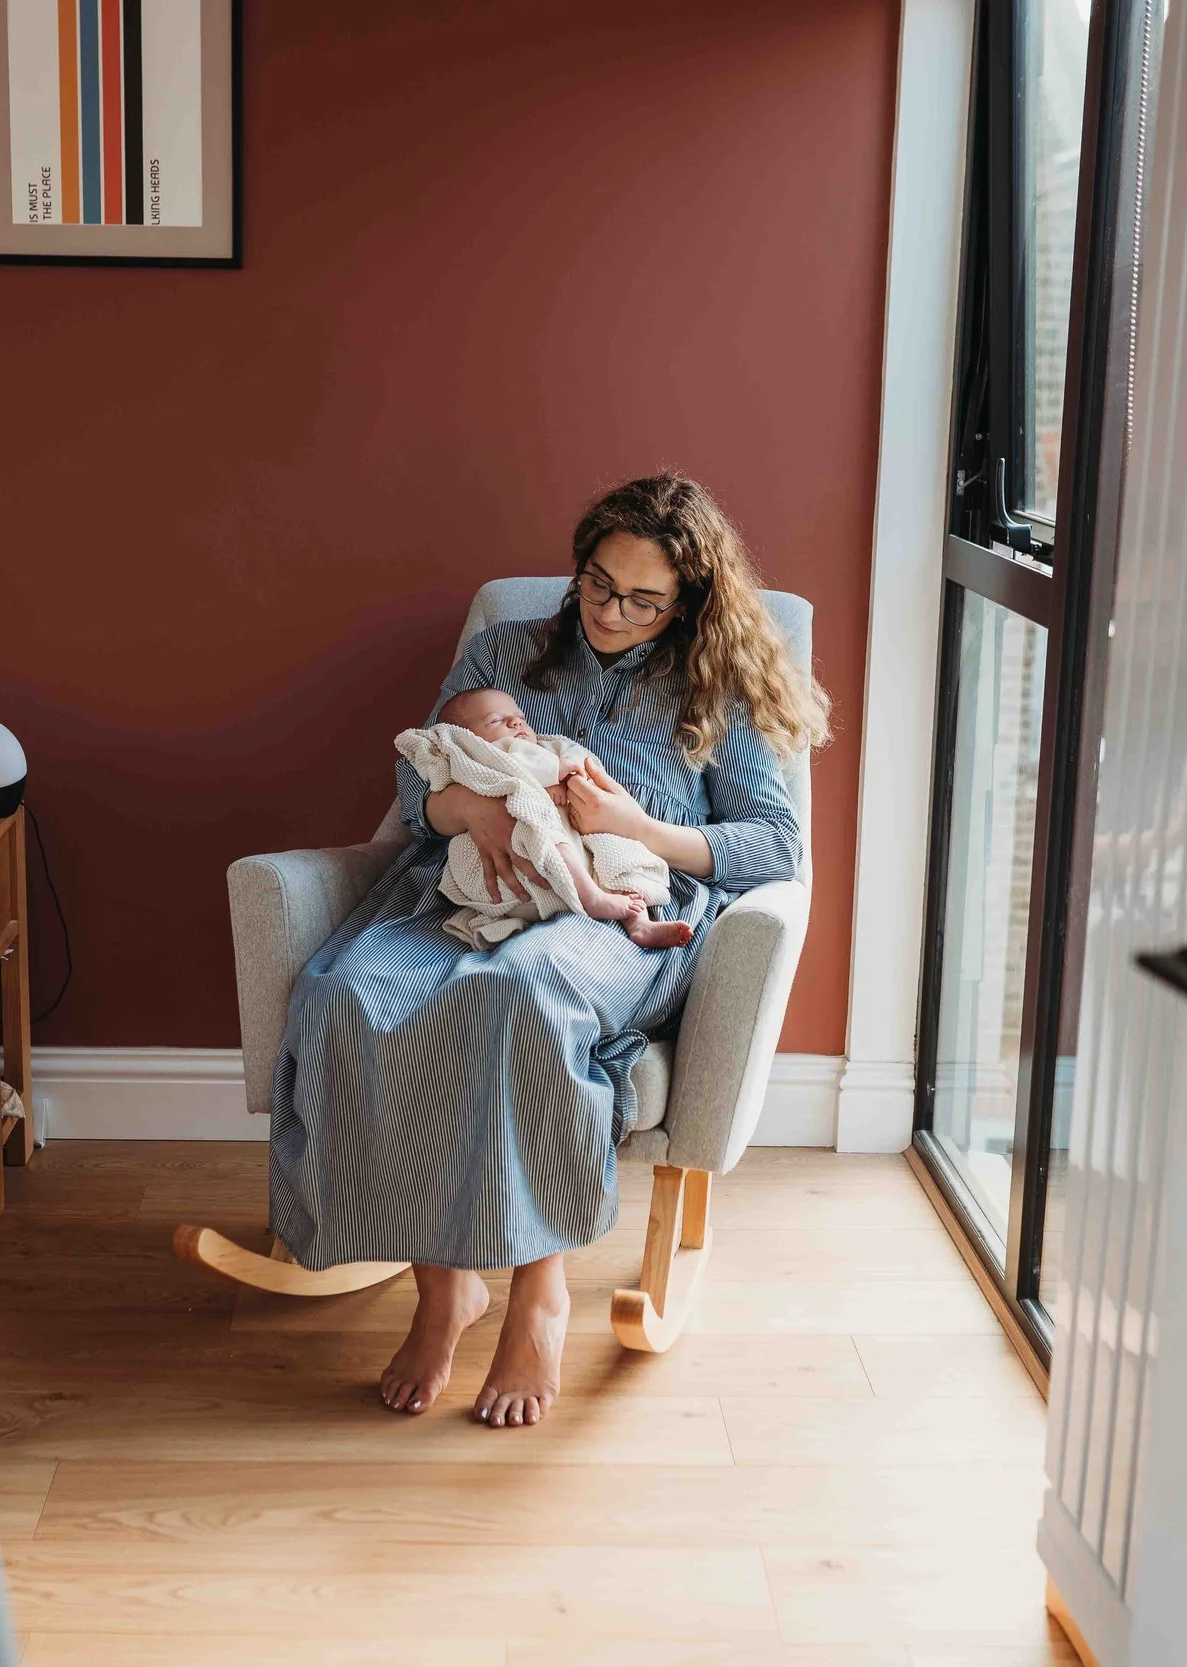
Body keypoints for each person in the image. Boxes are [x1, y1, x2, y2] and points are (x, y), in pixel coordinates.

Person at [268, 472, 830, 1427]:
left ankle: (538, 1289)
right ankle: (444, 1286)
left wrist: (639, 827)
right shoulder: (505, 649)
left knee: (520, 995)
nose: (610, 611)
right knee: (346, 994)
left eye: (642, 599)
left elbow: (774, 844)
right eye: (596, 583)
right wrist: (471, 807)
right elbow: (417, 788)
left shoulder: (716, 685)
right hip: (467, 880)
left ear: (686, 601)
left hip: (610, 904)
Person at [397, 686, 693, 952]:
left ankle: (639, 924)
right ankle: (590, 898)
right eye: (496, 721)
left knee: (620, 852)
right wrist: (556, 773)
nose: (516, 723)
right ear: (467, 737)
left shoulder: (549, 748)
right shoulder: (484, 754)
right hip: (522, 860)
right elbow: (516, 762)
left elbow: (583, 767)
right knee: (544, 830)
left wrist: (571, 777)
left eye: (520, 717)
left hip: (579, 852)